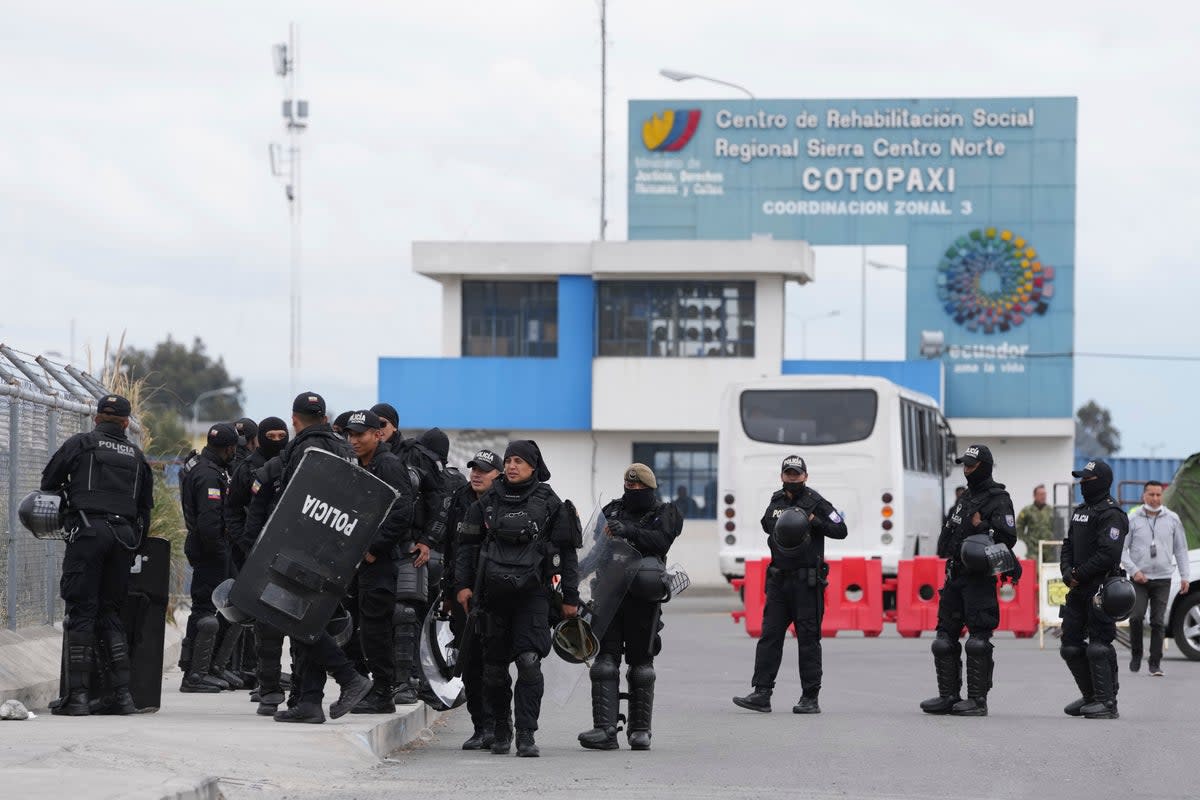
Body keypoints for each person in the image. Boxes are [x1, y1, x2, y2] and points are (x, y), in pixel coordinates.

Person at [455, 440, 581, 757]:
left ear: (533, 466)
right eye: (509, 460)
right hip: (492, 596)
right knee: (494, 671)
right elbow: (467, 547)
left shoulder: (550, 502)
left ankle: (526, 733)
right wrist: (463, 586)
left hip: (533, 596)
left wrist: (570, 596)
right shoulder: (486, 502)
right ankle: (501, 727)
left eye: (519, 461)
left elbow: (567, 554)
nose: (512, 466)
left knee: (528, 663)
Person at [40, 394, 153, 716]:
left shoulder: (82, 443)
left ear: (96, 418)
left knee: (81, 610)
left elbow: (48, 481)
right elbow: (145, 508)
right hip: (125, 538)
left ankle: (77, 697)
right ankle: (122, 697)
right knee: (110, 612)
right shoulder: (136, 455)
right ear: (127, 422)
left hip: (88, 533)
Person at [273, 392, 373, 724]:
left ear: (295, 418)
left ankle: (349, 678)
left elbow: (293, 502)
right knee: (312, 621)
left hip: (305, 548)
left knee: (297, 620)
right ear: (325, 418)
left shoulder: (304, 449)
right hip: (338, 548)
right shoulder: (344, 449)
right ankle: (310, 702)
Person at [733, 455, 847, 715]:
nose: (792, 478)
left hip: (806, 583)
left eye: (797, 474)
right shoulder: (776, 501)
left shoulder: (816, 502)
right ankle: (761, 693)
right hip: (779, 580)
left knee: (808, 639)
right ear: (782, 476)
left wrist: (814, 522)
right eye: (788, 474)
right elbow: (766, 524)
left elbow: (841, 529)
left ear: (805, 476)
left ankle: (810, 697)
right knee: (770, 636)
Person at [579, 463, 682, 751]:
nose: (633, 490)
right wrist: (577, 572)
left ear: (650, 489)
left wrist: (630, 531)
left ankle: (640, 731)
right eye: (630, 486)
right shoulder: (611, 511)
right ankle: (605, 729)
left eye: (639, 487)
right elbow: (598, 551)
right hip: (608, 594)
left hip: (643, 599)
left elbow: (661, 541)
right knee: (604, 663)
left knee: (641, 666)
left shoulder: (666, 513)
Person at [920, 444, 1017, 717]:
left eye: (971, 465)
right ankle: (948, 696)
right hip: (955, 576)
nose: (966, 470)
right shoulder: (965, 498)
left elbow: (1008, 538)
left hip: (978, 579)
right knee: (943, 639)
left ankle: (977, 700)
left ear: (984, 466)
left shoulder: (998, 498)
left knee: (977, 640)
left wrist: (982, 527)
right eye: (964, 465)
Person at [344, 409, 417, 713]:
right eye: (350, 434)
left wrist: (374, 548)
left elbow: (403, 510)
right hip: (359, 561)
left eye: (360, 435)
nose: (354, 440)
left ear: (377, 434)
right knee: (360, 627)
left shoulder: (387, 464)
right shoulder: (363, 463)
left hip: (380, 561)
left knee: (376, 628)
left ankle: (383, 692)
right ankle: (372, 687)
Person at [1059, 459, 1129, 719]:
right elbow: (1067, 545)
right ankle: (1090, 697)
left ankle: (1107, 702)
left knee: (1099, 645)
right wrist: (1067, 573)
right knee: (1070, 646)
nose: (1082, 484)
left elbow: (1109, 554)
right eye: (1081, 479)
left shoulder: (1112, 514)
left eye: (1086, 480)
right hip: (1077, 588)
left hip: (1100, 588)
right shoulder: (1081, 510)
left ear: (1100, 481)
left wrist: (1079, 573)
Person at [443, 448, 503, 749]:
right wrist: (449, 594)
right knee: (470, 662)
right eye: (473, 469)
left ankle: (498, 726)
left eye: (484, 470)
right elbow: (451, 549)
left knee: (494, 663)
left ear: (498, 475)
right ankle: (480, 726)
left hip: (497, 593)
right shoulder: (461, 499)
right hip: (464, 594)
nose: (476, 474)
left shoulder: (506, 501)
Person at [179, 422, 239, 693]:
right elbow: (209, 521)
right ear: (228, 448)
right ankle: (195, 675)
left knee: (217, 608)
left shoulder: (206, 467)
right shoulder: (209, 475)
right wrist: (219, 552)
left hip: (210, 547)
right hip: (210, 549)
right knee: (205, 610)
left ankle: (208, 667)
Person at [1122, 480, 1190, 676]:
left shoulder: (1172, 519)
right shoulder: (1133, 519)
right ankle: (1136, 653)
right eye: (1151, 495)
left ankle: (1154, 663)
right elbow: (1122, 550)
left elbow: (1181, 549)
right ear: (1144, 496)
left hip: (1163, 578)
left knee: (1158, 621)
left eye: (1158, 495)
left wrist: (1185, 576)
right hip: (1139, 578)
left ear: (1162, 496)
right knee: (1136, 617)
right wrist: (1134, 571)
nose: (1155, 498)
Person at [1016, 484, 1054, 560]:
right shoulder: (1027, 510)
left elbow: (1060, 527)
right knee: (1034, 570)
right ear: (1035, 496)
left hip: (1049, 548)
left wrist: (1055, 540)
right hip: (1033, 549)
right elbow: (1018, 526)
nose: (1043, 496)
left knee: (1050, 570)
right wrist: (1026, 540)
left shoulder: (1052, 510)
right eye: (1041, 494)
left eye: (1044, 494)